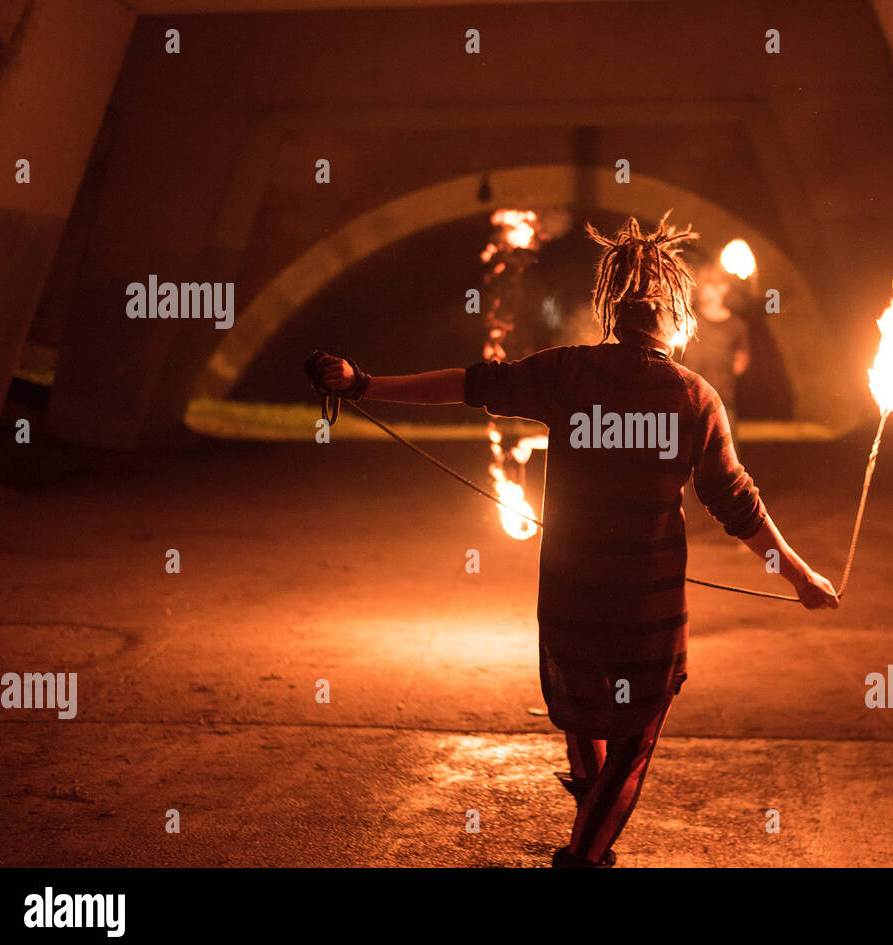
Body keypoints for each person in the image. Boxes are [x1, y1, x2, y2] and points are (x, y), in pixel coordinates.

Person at [316, 212, 837, 868]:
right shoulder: (694, 398)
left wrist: (366, 383)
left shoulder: (566, 374)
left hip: (571, 600)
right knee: (633, 749)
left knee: (585, 718)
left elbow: (470, 384)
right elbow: (738, 507)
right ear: (674, 313)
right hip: (647, 615)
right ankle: (584, 859)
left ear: (611, 309)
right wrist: (799, 577)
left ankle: (590, 838)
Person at [678, 256, 750, 436]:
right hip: (689, 403)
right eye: (700, 283)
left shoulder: (736, 326)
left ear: (723, 288)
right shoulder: (688, 321)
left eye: (708, 283)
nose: (702, 288)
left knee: (725, 461)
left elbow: (740, 363)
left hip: (722, 405)